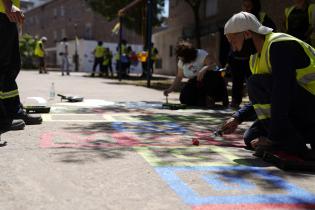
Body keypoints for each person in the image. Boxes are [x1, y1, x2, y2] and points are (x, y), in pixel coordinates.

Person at [221, 12, 315, 158]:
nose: (233, 49)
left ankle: (292, 144)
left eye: (233, 41)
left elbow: (281, 93)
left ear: (246, 34)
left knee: (255, 83)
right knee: (250, 137)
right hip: (302, 108)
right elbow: (264, 96)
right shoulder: (255, 58)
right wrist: (238, 117)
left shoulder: (279, 45)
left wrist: (273, 138)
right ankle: (285, 138)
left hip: (310, 108)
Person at [0, 0, 41, 134]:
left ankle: (12, 110)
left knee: (11, 67)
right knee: (2, 65)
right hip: (3, 13)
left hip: (7, 15)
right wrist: (7, 4)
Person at [228, 0, 276, 109]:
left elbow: (270, 31)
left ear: (255, 6)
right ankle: (236, 100)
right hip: (236, 56)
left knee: (252, 79)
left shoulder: (262, 17)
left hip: (252, 55)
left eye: (249, 5)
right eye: (244, 5)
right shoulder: (238, 17)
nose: (246, 8)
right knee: (237, 79)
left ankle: (254, 102)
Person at [163, 41, 229, 108]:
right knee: (184, 98)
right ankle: (202, 101)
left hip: (210, 80)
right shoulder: (181, 61)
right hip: (195, 82)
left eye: (183, 57)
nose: (181, 59)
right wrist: (170, 90)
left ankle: (211, 98)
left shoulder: (201, 54)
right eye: (180, 57)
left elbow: (216, 66)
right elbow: (179, 76)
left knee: (211, 74)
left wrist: (204, 69)